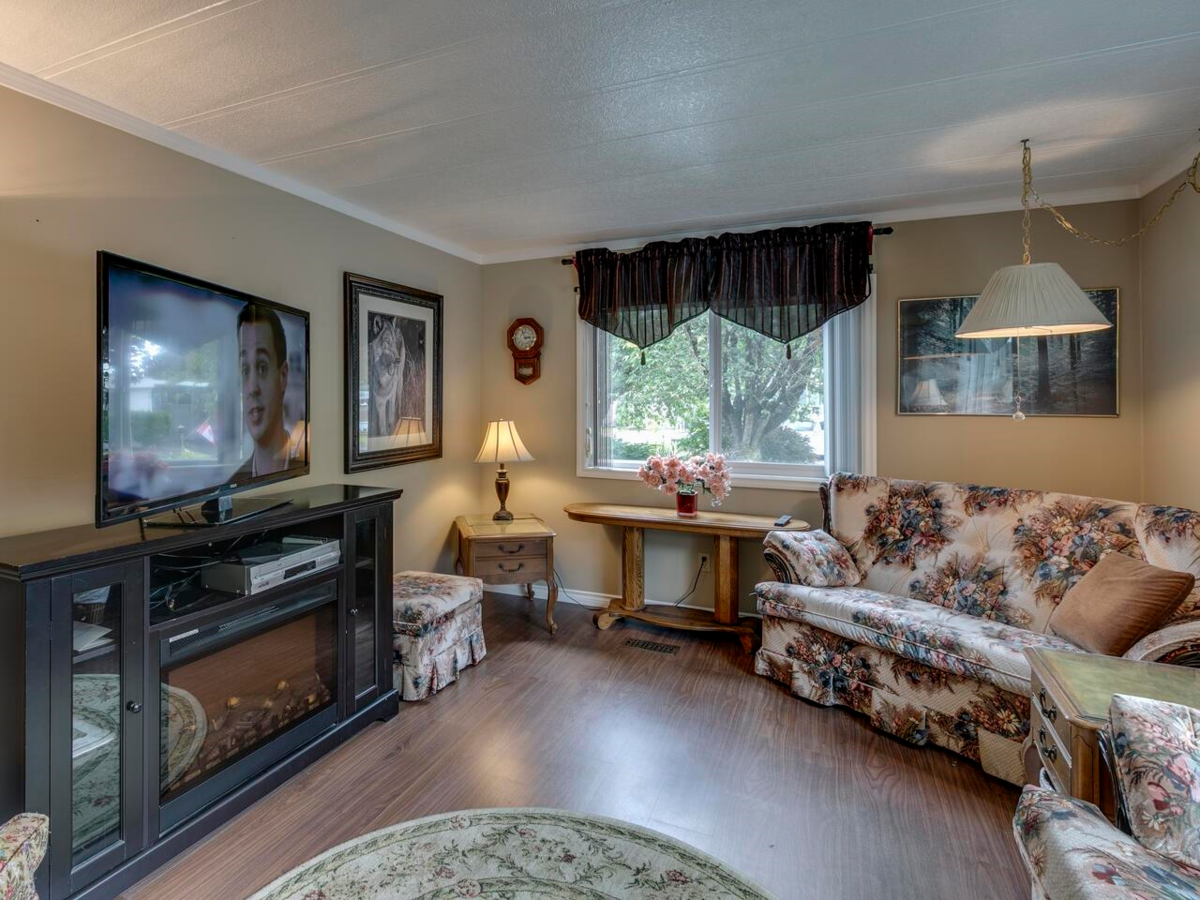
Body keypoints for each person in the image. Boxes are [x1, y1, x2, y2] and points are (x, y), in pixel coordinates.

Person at [234, 303, 302, 478]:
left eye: (262, 367)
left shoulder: (305, 461)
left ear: (283, 376)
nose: (252, 389)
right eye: (245, 370)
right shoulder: (233, 484)